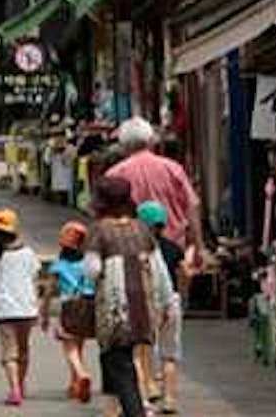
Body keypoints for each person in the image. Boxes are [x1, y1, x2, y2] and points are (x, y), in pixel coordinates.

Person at [84, 176, 175, 417]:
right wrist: (166, 303)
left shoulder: (99, 230)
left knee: (120, 364)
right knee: (126, 359)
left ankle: (135, 411)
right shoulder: (142, 228)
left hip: (115, 309)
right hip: (144, 307)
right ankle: (116, 409)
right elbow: (158, 267)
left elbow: (92, 270)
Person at [105, 118, 204, 264]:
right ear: (151, 141)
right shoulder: (172, 169)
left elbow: (106, 220)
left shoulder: (114, 175)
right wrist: (199, 247)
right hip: (174, 250)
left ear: (123, 145)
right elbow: (191, 207)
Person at [0, 209, 40, 407]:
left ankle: (14, 389)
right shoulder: (29, 253)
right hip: (27, 309)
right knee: (23, 350)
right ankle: (20, 386)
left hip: (5, 310)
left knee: (8, 353)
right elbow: (35, 279)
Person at [137, 200, 185, 415]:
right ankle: (170, 399)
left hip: (148, 305)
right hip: (172, 302)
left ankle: (146, 394)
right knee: (170, 355)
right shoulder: (174, 248)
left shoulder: (139, 250)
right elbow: (184, 273)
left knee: (142, 354)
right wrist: (182, 295)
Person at [40, 220, 94, 404]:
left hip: (70, 305)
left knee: (69, 347)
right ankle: (74, 384)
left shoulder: (59, 265)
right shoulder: (89, 262)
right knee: (79, 345)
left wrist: (44, 314)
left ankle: (81, 374)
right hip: (89, 304)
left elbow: (48, 292)